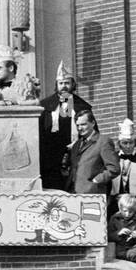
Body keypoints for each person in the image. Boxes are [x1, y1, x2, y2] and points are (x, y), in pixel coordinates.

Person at [38, 62, 90, 191]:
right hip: (51, 156)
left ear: (73, 84)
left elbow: (92, 133)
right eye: (61, 83)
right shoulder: (45, 105)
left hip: (77, 153)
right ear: (56, 85)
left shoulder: (82, 106)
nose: (64, 87)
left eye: (67, 83)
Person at [66, 109, 119, 195]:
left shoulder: (103, 141)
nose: (80, 128)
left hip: (94, 194)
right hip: (74, 194)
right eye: (78, 125)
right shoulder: (76, 145)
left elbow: (114, 169)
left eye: (83, 124)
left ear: (93, 123)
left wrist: (96, 180)